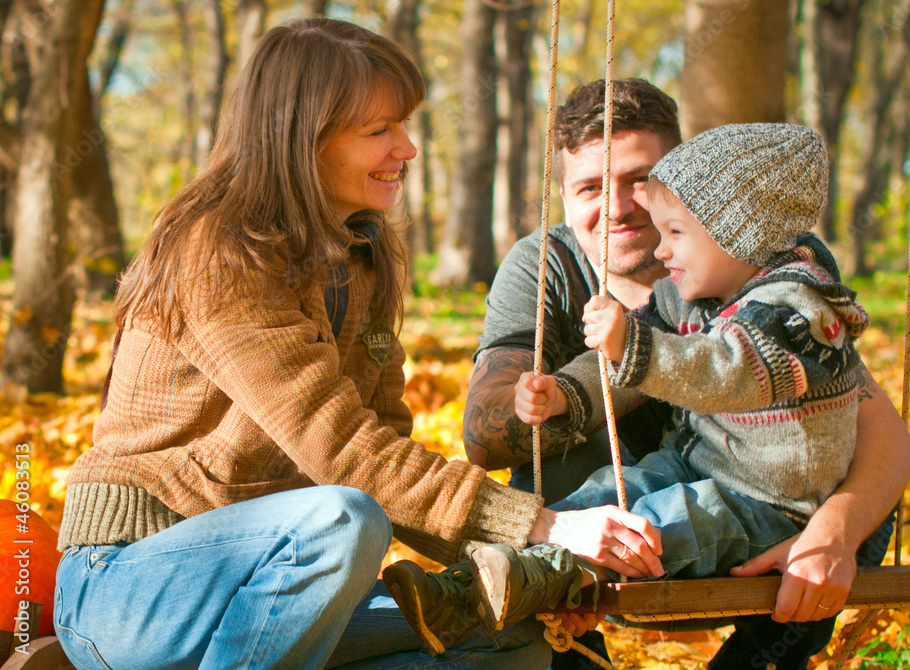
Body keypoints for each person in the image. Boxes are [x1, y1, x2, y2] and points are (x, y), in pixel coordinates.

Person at [53, 21, 660, 670]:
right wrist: (545, 526)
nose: (408, 148)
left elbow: (388, 455)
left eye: (404, 125)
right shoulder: (218, 251)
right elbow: (340, 450)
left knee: (510, 638)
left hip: (277, 593)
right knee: (345, 519)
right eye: (379, 131)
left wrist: (532, 563)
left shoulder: (363, 258)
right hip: (129, 587)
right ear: (301, 139)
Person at [463, 80, 910, 668]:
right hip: (637, 504)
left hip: (749, 516)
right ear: (566, 199)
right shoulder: (546, 265)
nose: (620, 206)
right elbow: (482, 437)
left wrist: (829, 534)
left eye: (638, 179)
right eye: (590, 188)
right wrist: (553, 399)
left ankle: (757, 657)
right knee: (566, 480)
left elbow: (886, 440)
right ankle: (549, 612)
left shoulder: (771, 277)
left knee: (864, 503)